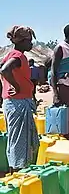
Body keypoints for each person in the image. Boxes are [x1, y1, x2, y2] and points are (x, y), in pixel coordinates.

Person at [0, 26, 39, 172]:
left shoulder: (9, 55)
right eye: (29, 41)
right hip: (18, 103)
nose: (31, 44)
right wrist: (16, 86)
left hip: (13, 102)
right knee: (19, 141)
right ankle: (17, 173)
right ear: (21, 41)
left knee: (15, 138)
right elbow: (4, 70)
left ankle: (15, 171)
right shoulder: (18, 56)